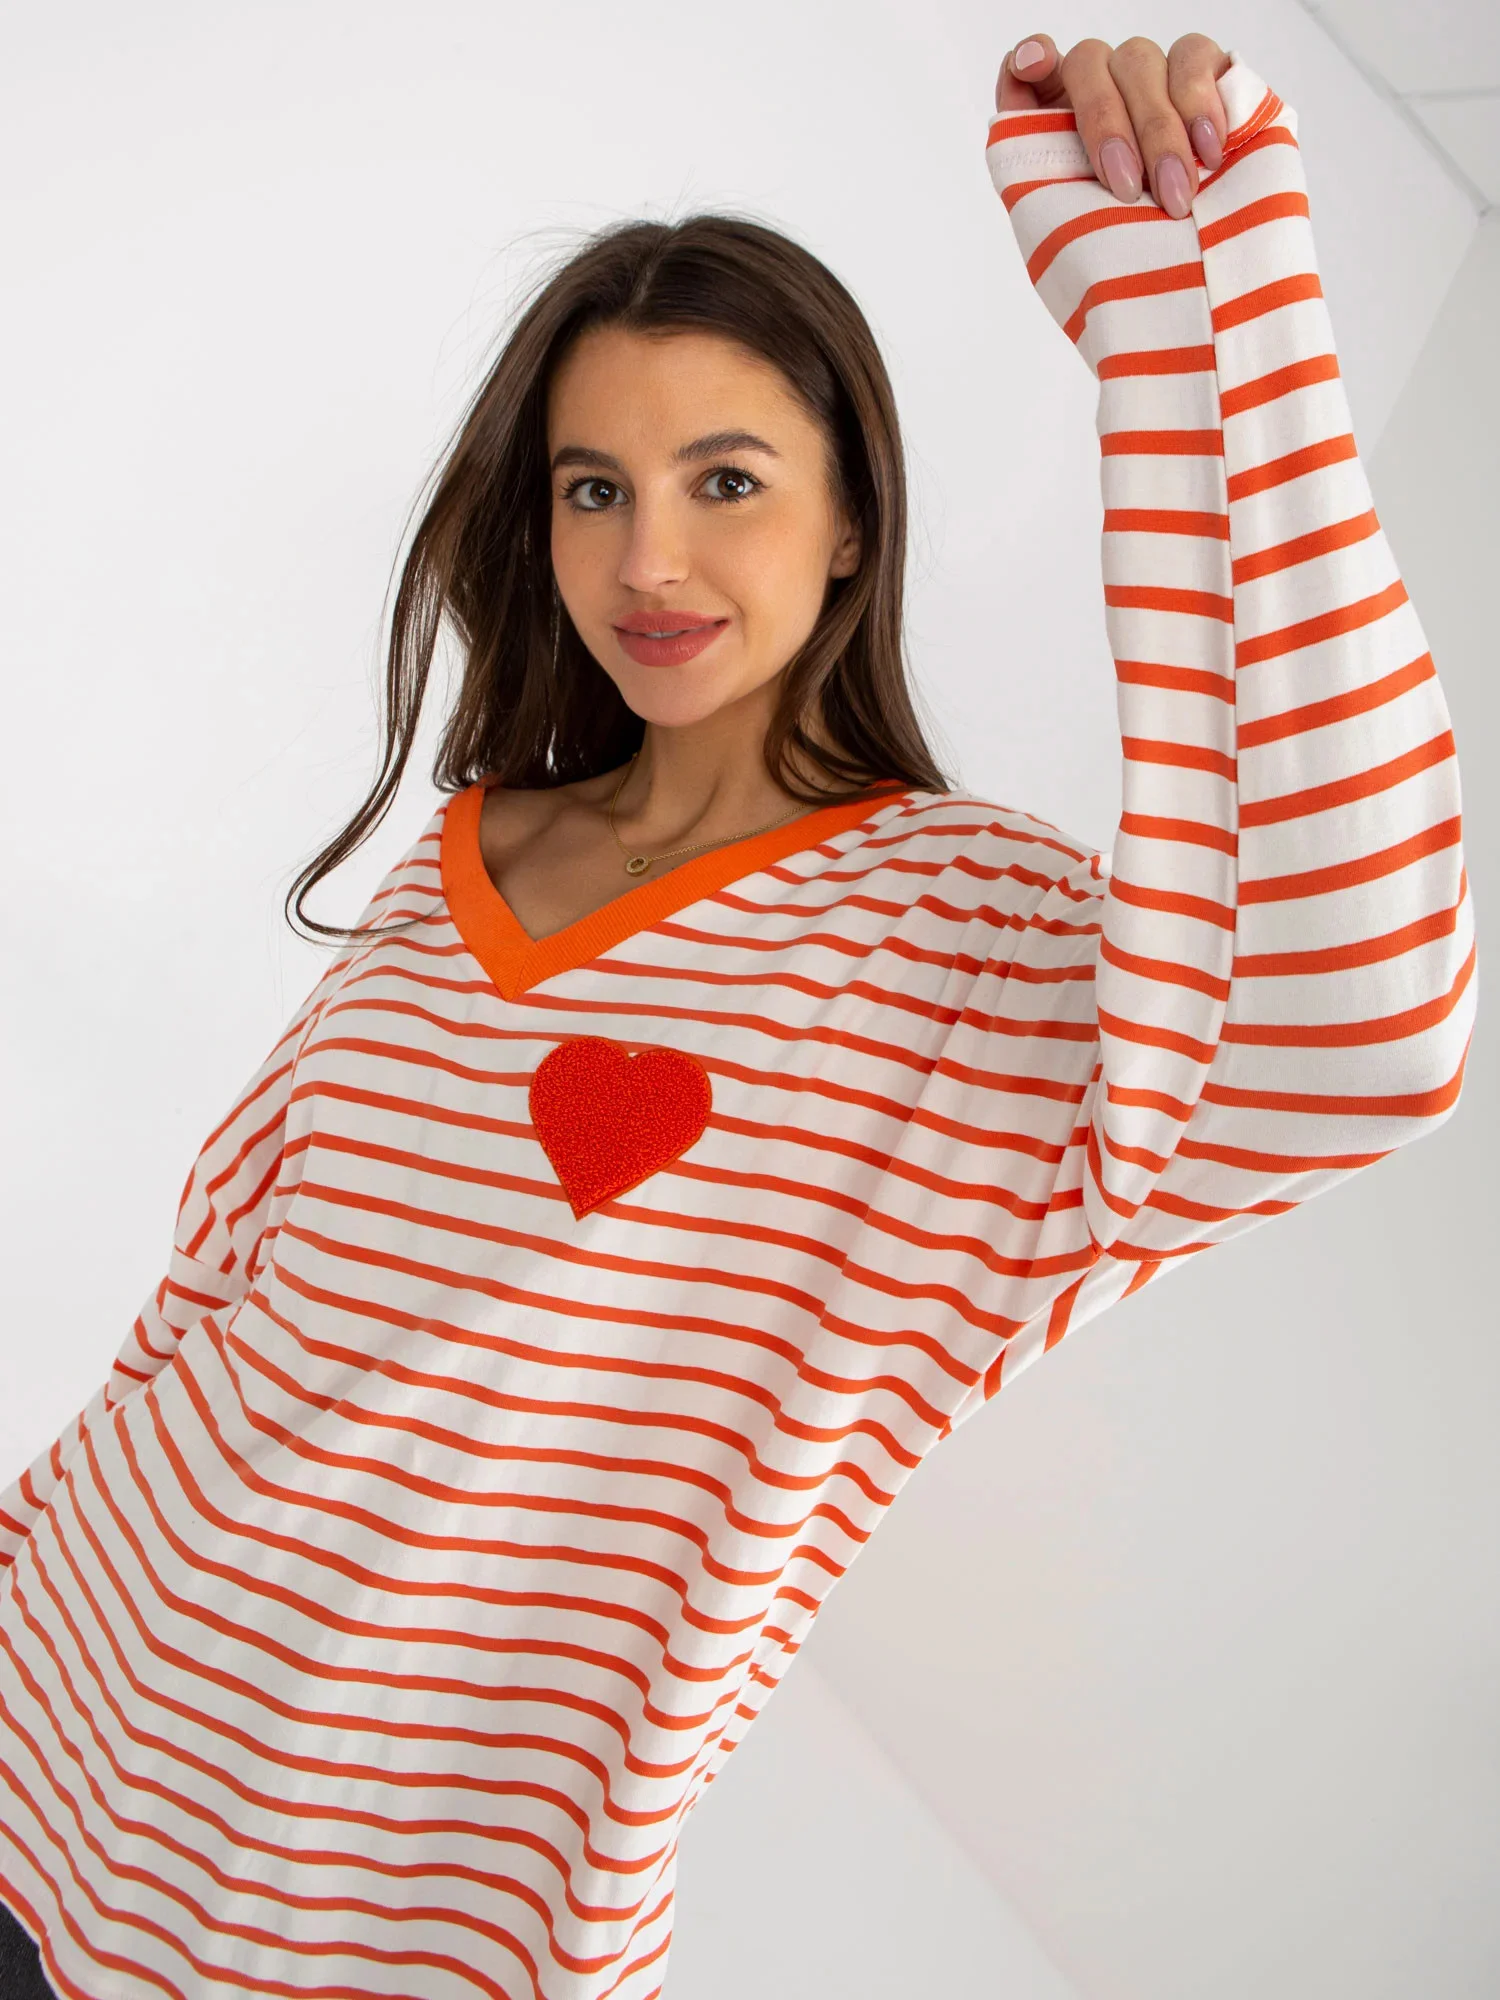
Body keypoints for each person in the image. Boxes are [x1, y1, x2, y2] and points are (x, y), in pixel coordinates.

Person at [0, 29, 1474, 2000]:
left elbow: (1361, 1025)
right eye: (592, 488)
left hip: (387, 1916)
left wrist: (1203, 312)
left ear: (852, 517)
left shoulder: (986, 949)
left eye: (726, 482)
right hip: (57, 1688)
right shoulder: (469, 847)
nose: (648, 560)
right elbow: (223, 1282)